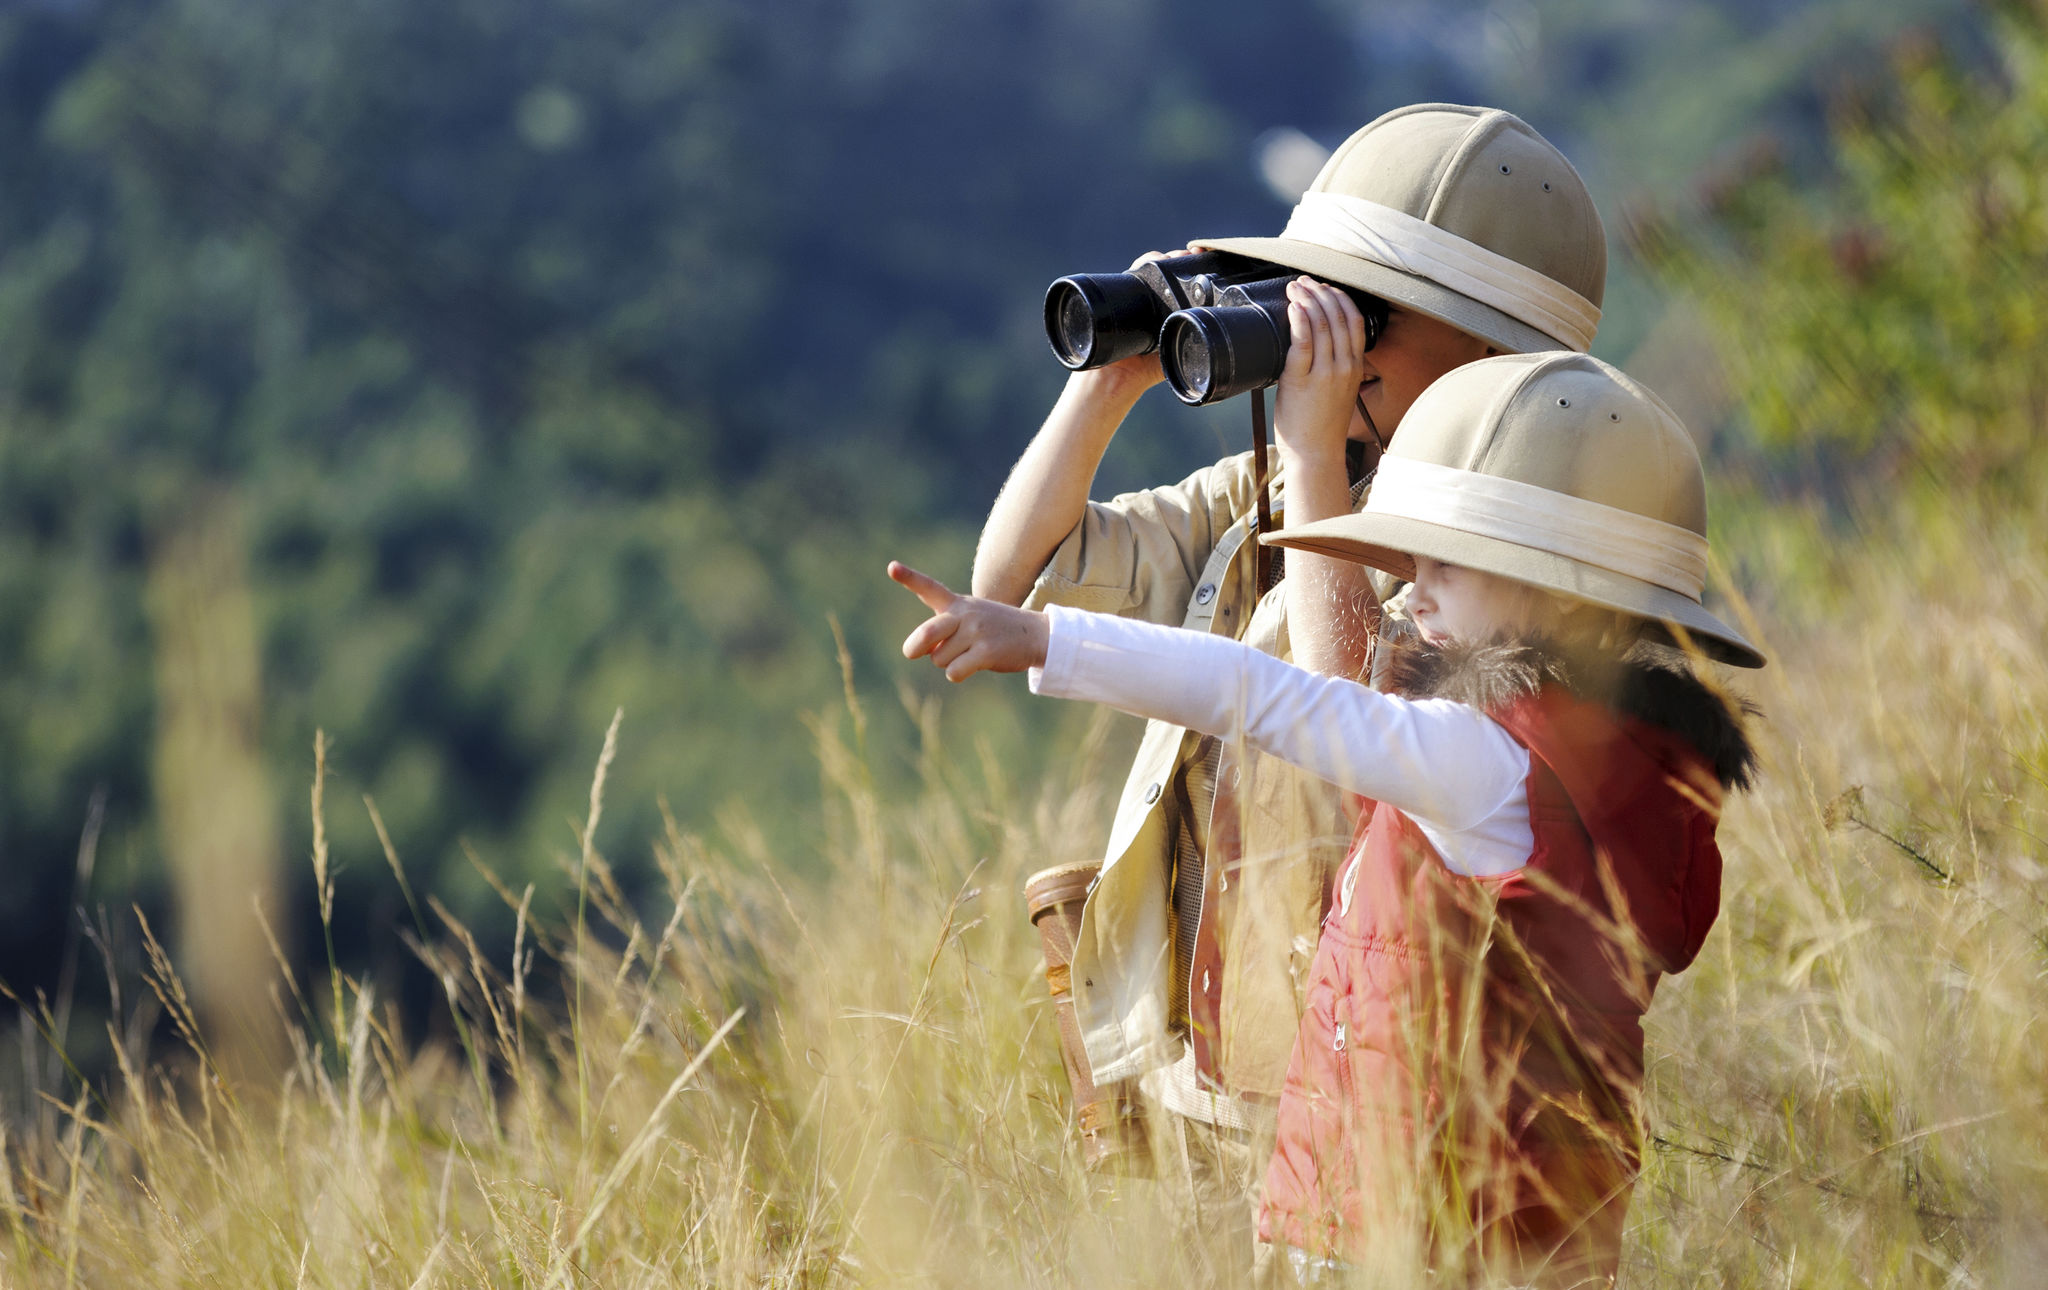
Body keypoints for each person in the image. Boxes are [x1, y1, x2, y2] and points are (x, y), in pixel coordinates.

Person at [893, 351, 1763, 1285]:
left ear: (1560, 595)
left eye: (1449, 565)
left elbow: (1262, 695)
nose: (1414, 590)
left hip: (1401, 1235)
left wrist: (1044, 637)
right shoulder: (1608, 764)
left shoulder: (1481, 763)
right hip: (1513, 1232)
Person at [971, 103, 1609, 1256]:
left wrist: (1316, 455)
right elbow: (1017, 579)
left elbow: (1359, 723)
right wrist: (1111, 378)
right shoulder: (1266, 493)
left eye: (1364, 316)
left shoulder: (1510, 571)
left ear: (1488, 355)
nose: (1333, 345)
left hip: (1357, 1083)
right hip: (1199, 1067)